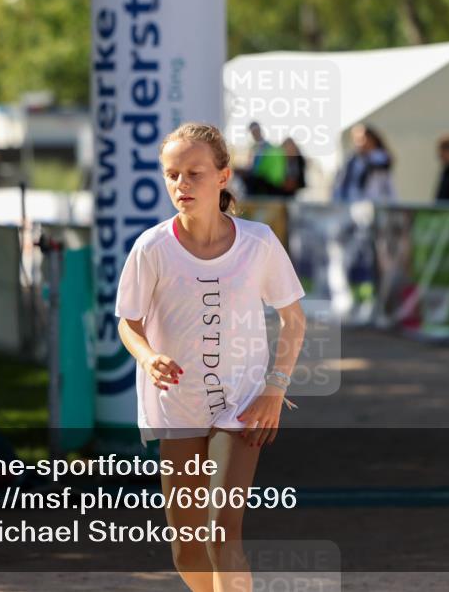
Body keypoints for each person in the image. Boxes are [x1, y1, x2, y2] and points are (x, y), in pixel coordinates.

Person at [115, 122, 307, 591]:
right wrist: (146, 356)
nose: (182, 184)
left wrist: (274, 389)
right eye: (172, 174)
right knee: (187, 547)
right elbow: (128, 322)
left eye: (194, 173)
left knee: (223, 532)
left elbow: (294, 320)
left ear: (223, 176)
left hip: (240, 405)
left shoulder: (258, 241)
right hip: (177, 407)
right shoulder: (151, 247)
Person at [332, 124, 395, 202]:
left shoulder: (380, 160)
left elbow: (387, 186)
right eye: (356, 139)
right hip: (352, 203)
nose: (358, 143)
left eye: (361, 139)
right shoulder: (352, 161)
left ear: (372, 140)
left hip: (374, 203)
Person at [240, 121, 288, 196]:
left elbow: (257, 168)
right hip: (263, 180)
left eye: (255, 131)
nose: (254, 134)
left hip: (266, 181)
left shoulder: (267, 147)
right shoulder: (255, 147)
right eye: (253, 132)